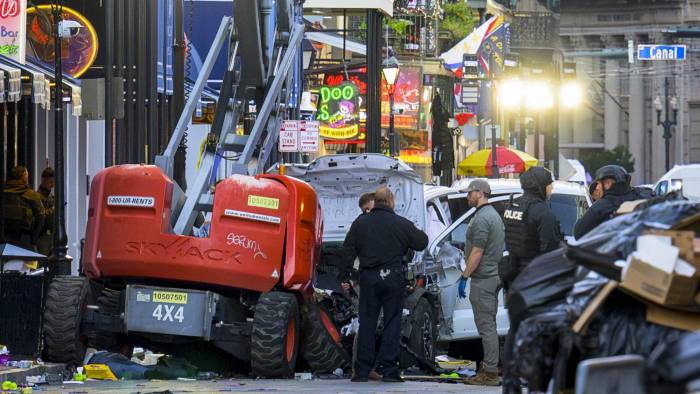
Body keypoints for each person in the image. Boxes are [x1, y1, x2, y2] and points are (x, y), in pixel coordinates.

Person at [343, 187, 428, 383]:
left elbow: (347, 250)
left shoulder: (360, 223)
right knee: (392, 322)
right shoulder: (400, 223)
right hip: (393, 278)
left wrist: (346, 275)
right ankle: (389, 370)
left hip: (369, 279)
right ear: (390, 202)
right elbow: (422, 241)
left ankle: (362, 370)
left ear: (375, 201)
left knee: (367, 324)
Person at [501, 167, 561, 393]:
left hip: (515, 277)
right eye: (550, 184)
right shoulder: (542, 213)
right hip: (536, 281)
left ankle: (511, 383)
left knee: (515, 330)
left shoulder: (512, 206)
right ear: (539, 185)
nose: (552, 189)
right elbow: (551, 253)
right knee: (541, 333)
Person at [457, 179, 505, 387]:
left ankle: (491, 373)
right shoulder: (491, 215)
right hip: (491, 277)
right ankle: (488, 368)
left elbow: (477, 252)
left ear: (480, 193)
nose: (467, 197)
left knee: (486, 327)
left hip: (484, 279)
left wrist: (464, 275)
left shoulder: (483, 218)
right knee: (489, 325)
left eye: (470, 193)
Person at [573, 165, 645, 239]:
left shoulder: (601, 206)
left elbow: (579, 233)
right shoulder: (642, 197)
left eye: (598, 184)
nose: (597, 188)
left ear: (608, 183)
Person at [2, 166, 46, 251]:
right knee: (29, 263)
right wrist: (34, 239)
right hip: (26, 241)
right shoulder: (31, 195)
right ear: (24, 177)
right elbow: (41, 217)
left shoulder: (3, 194)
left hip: (4, 240)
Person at [36, 167, 55, 256]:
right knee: (42, 264)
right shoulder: (36, 197)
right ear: (43, 180)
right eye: (51, 182)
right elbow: (41, 215)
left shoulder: (52, 198)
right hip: (41, 236)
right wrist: (53, 209)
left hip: (52, 236)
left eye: (53, 182)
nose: (52, 185)